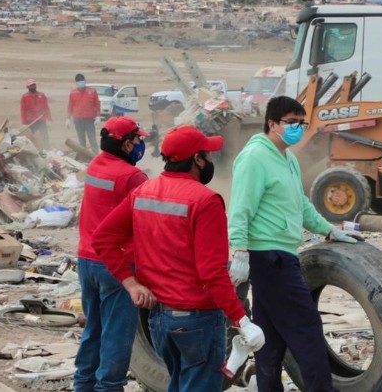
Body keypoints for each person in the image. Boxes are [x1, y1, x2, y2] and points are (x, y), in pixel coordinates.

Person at [93, 125, 265, 392]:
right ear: (197, 159)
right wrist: (241, 320)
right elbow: (212, 273)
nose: (210, 160)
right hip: (197, 322)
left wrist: (132, 285)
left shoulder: (144, 192)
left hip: (159, 322)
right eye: (207, 155)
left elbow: (101, 238)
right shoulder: (206, 201)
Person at [228, 95, 363, 392]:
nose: (297, 129)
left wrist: (328, 230)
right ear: (272, 124)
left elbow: (298, 203)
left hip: (283, 253)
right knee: (307, 329)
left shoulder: (286, 158)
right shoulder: (254, 158)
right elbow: (240, 208)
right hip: (269, 256)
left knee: (271, 335)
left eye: (301, 123)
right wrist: (238, 250)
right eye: (291, 123)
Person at [73, 117, 149, 392]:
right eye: (138, 140)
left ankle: (82, 385)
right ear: (127, 144)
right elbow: (148, 223)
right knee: (117, 335)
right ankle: (109, 388)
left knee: (93, 330)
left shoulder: (96, 164)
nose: (141, 145)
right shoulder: (133, 177)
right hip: (117, 266)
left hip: (87, 261)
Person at [68, 73, 100, 154]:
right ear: (76, 83)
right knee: (81, 140)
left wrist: (98, 116)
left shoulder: (92, 91)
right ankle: (83, 156)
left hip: (89, 119)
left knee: (92, 139)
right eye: (78, 81)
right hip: (78, 120)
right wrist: (68, 119)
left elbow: (97, 104)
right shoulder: (73, 93)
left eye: (82, 81)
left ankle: (96, 156)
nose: (80, 83)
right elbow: (70, 107)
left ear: (85, 81)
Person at [20, 79, 52, 150]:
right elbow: (23, 111)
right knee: (32, 138)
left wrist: (49, 120)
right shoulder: (24, 97)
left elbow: (46, 108)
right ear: (27, 87)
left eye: (34, 85)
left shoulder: (42, 95)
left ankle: (48, 150)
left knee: (45, 136)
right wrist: (24, 123)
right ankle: (36, 151)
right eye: (31, 86)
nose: (33, 87)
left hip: (41, 120)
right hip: (31, 122)